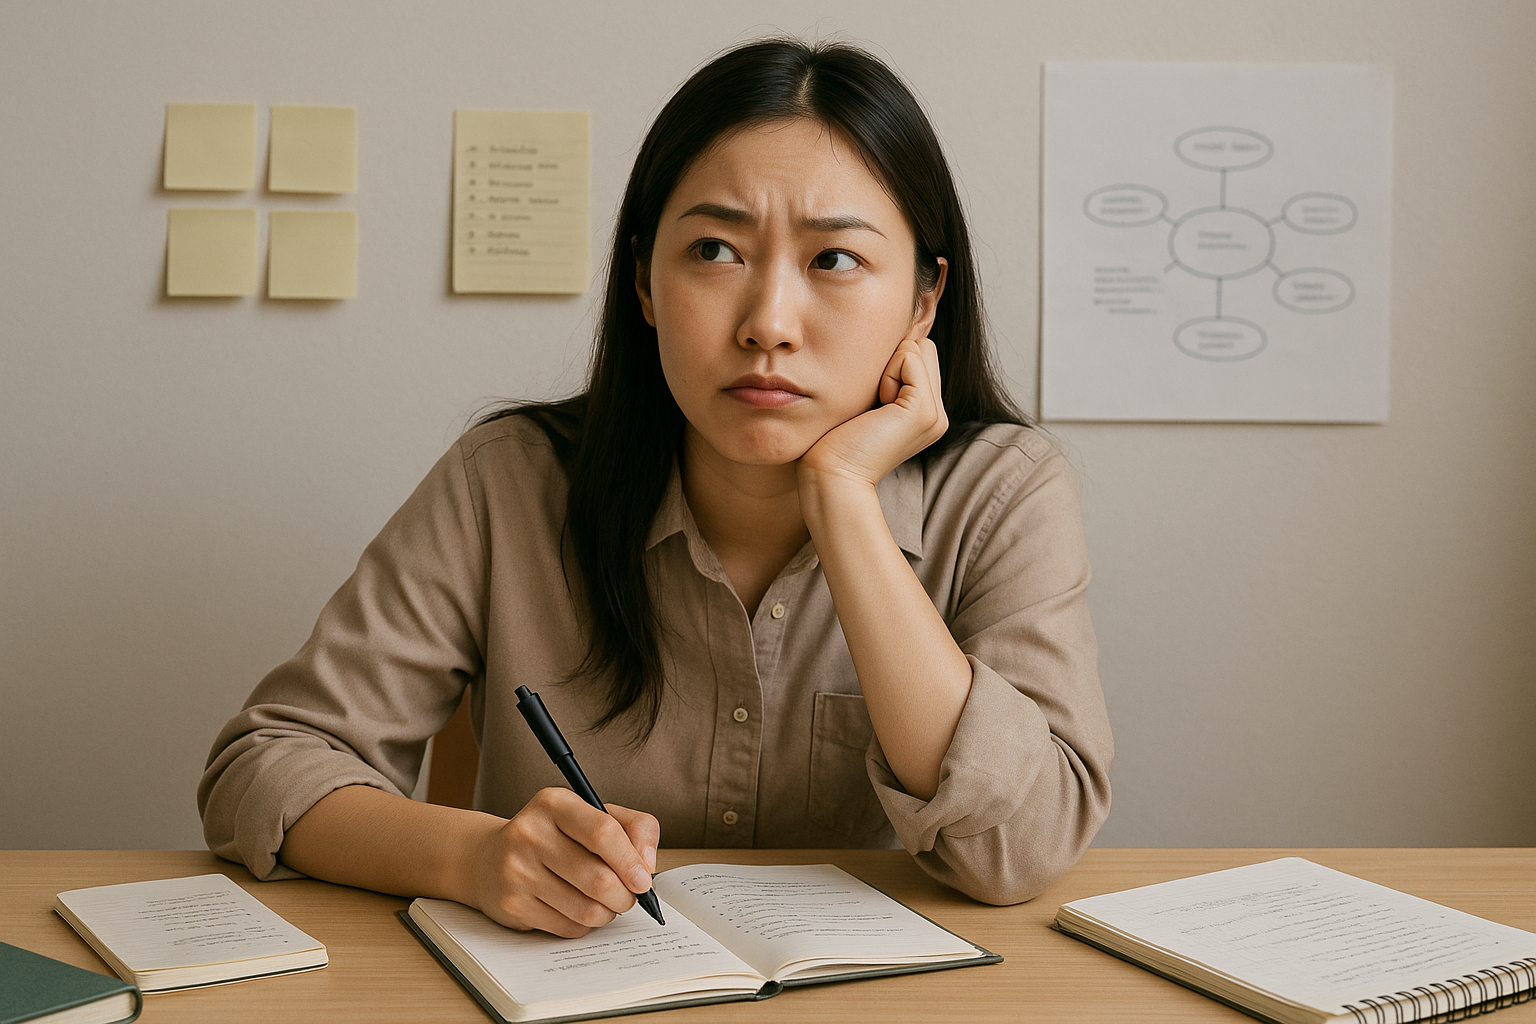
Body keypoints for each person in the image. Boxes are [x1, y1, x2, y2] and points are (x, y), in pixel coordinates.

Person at [198, 37, 1112, 939]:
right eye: (716, 250)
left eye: (834, 260)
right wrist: (473, 859)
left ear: (923, 302)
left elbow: (1019, 851)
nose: (768, 325)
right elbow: (264, 768)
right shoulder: (509, 481)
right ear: (642, 278)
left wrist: (842, 497)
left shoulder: (1002, 494)